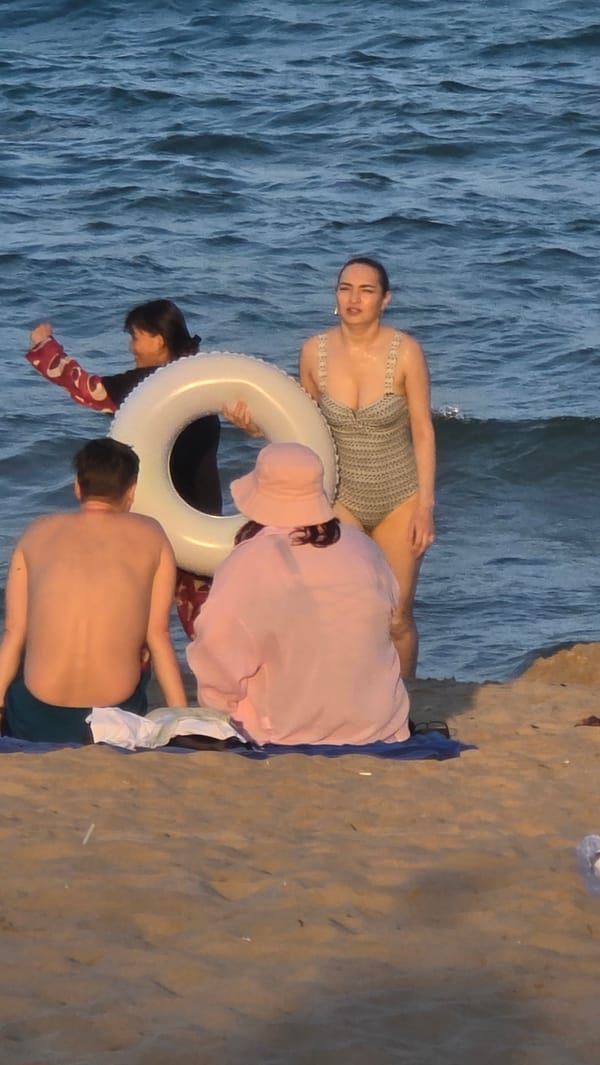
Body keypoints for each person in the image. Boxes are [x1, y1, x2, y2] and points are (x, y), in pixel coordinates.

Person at [224, 258, 435, 678]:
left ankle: (405, 703)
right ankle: (352, 699)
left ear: (385, 300)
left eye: (366, 290)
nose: (354, 298)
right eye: (345, 288)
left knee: (396, 616)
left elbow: (423, 431)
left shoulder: (406, 352)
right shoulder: (313, 352)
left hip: (399, 496)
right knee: (346, 613)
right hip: (341, 497)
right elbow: (298, 429)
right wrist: (253, 428)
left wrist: (425, 506)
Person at [186, 442, 410, 747]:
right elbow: (390, 621)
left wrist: (220, 703)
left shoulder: (250, 561)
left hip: (286, 731)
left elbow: (216, 653)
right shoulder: (364, 548)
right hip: (380, 724)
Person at [25, 299, 221, 636]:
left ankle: (125, 682)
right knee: (208, 624)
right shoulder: (202, 377)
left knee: (136, 620)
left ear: (159, 339)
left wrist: (46, 347)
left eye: (136, 337)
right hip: (203, 518)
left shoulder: (145, 386)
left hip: (155, 521)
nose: (131, 347)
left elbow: (88, 390)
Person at [0, 438, 187, 743]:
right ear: (131, 491)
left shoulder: (36, 532)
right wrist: (181, 717)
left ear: (77, 486)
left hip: (36, 716)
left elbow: (13, 632)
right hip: (113, 717)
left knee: (24, 647)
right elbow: (159, 636)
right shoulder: (152, 535)